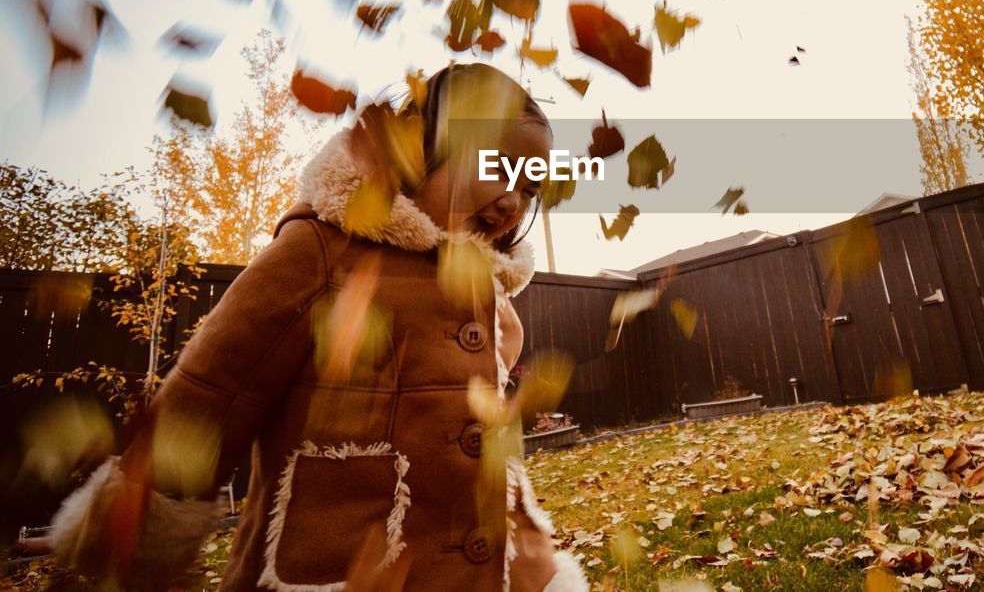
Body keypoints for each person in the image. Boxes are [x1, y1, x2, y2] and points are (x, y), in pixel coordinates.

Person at [44, 62, 589, 591]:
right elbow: (215, 387)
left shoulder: (486, 296)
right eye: (498, 168)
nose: (513, 200)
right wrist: (136, 517)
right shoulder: (323, 252)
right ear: (421, 148)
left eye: (531, 189)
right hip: (336, 565)